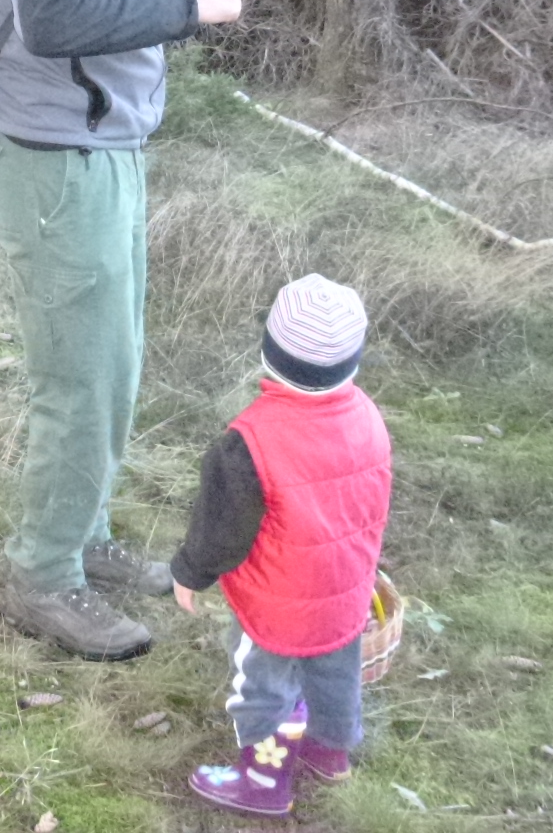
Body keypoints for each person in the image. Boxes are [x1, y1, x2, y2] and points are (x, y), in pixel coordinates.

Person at [0, 0, 248, 660]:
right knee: (78, 376)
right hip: (53, 155)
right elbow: (54, 18)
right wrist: (188, 10)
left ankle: (81, 537)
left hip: (99, 145)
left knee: (113, 362)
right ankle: (44, 577)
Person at [169, 274, 393, 818]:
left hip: (277, 600)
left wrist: (189, 572)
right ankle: (329, 753)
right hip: (345, 589)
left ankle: (264, 780)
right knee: (335, 671)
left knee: (263, 684)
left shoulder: (249, 442)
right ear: (352, 363)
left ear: (268, 355)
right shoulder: (367, 416)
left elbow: (222, 530)